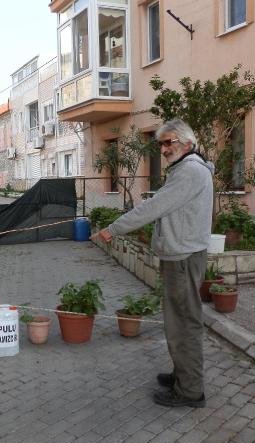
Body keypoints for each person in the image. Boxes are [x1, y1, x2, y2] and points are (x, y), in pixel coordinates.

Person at [92, 118, 213, 408]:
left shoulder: (190, 172)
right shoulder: (186, 168)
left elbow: (154, 206)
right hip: (182, 255)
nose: (163, 149)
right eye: (160, 143)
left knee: (182, 324)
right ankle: (183, 376)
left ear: (185, 142)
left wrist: (113, 228)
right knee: (180, 320)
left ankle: (190, 391)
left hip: (183, 258)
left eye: (168, 142)